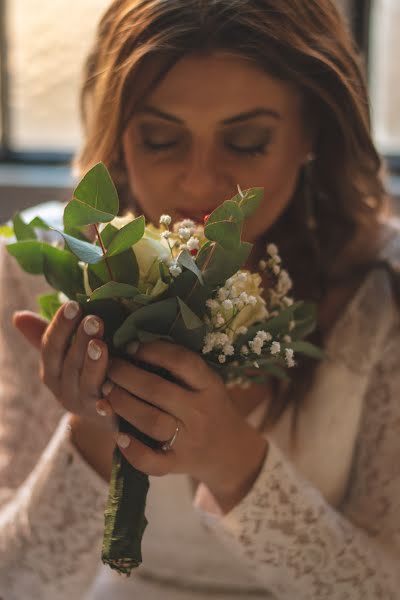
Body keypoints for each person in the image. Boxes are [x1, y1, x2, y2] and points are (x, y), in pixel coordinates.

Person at [1, 1, 399, 598]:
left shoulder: (382, 288)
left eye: (245, 143)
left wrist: (235, 464)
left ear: (311, 131)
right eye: (162, 139)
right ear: (120, 131)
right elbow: (18, 582)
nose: (199, 183)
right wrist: (90, 430)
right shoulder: (47, 268)